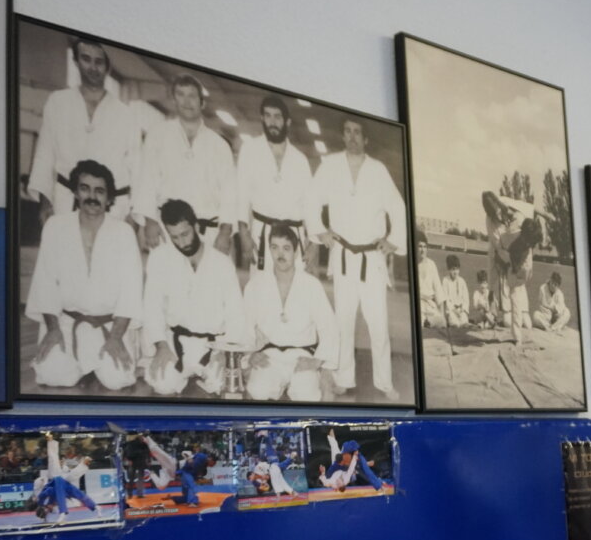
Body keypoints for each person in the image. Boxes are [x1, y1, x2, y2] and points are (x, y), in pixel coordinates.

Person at [309, 117, 406, 399]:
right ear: (343, 136)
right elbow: (312, 198)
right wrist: (319, 232)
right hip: (342, 256)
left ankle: (385, 383)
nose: (352, 137)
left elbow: (398, 208)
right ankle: (344, 378)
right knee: (343, 322)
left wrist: (394, 241)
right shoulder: (330, 166)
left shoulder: (378, 170)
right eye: (347, 131)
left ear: (366, 139)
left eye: (357, 133)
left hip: (371, 258)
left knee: (378, 323)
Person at [24, 159, 143, 390]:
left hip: (110, 327)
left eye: (99, 191)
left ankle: (93, 365)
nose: (92, 196)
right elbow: (45, 282)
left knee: (117, 379)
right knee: (54, 375)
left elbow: (131, 290)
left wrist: (117, 337)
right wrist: (53, 329)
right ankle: (83, 366)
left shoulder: (124, 232)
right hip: (67, 323)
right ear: (75, 192)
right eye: (84, 188)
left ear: (109, 198)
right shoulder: (55, 227)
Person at [27, 37, 141, 221]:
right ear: (75, 61)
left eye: (99, 62)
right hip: (65, 201)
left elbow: (136, 165)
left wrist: (134, 214)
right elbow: (45, 153)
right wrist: (45, 201)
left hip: (112, 207)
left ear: (108, 67)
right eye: (86, 59)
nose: (92, 68)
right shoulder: (58, 102)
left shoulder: (126, 114)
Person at [142, 198, 247, 396]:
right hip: (175, 342)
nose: (181, 242)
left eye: (185, 234)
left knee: (220, 386)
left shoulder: (222, 263)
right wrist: (161, 346)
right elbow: (151, 307)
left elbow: (236, 314)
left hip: (213, 346)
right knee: (162, 384)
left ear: (196, 226)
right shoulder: (159, 259)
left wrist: (225, 354)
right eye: (174, 237)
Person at [134, 74, 237, 256]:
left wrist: (225, 232)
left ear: (202, 103)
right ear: (174, 100)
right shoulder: (158, 135)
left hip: (208, 233)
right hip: (168, 231)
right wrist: (149, 221)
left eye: (192, 96)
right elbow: (146, 180)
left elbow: (230, 193)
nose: (186, 101)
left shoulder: (219, 145)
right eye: (181, 94)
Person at [242, 224, 338, 401]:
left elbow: (329, 327)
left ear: (296, 252)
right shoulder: (255, 285)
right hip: (269, 356)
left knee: (307, 395)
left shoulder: (311, 285)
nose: (280, 254)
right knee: (257, 391)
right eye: (274, 247)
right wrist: (250, 356)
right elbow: (245, 326)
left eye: (286, 248)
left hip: (302, 357)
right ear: (269, 249)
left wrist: (317, 361)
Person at [236, 94, 314, 272]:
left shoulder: (300, 159)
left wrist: (314, 243)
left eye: (277, 116)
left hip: (293, 235)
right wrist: (243, 233)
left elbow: (310, 203)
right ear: (262, 118)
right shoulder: (250, 150)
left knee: (294, 292)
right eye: (268, 115)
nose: (272, 122)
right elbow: (242, 195)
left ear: (287, 122)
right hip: (261, 234)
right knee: (261, 290)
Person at [481, 191, 542, 346]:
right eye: (496, 215)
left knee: (524, 276)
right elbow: (498, 249)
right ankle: (517, 336)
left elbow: (530, 209)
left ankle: (516, 331)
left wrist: (546, 215)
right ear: (490, 214)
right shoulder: (490, 223)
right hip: (503, 250)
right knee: (512, 291)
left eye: (500, 211)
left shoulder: (508, 204)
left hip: (520, 245)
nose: (500, 216)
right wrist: (510, 264)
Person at [317, 429, 384, 493]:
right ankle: (362, 465)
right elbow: (351, 468)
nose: (338, 482)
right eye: (339, 483)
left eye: (337, 483)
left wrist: (323, 472)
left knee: (334, 445)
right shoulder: (346, 479)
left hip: (337, 466)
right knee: (355, 467)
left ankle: (362, 464)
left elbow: (325, 482)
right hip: (346, 468)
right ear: (343, 484)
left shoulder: (331, 483)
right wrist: (355, 456)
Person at [415, 240, 444, 328]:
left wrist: (442, 312)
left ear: (427, 249)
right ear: (416, 248)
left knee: (441, 322)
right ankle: (424, 321)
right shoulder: (414, 265)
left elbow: (438, 287)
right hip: (418, 303)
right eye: (420, 246)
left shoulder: (431, 264)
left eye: (424, 247)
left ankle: (428, 321)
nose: (422, 250)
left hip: (430, 303)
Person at [439, 255, 469, 329]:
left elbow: (466, 298)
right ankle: (453, 323)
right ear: (449, 270)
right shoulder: (445, 281)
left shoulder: (462, 281)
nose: (455, 272)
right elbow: (446, 300)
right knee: (455, 324)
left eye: (457, 269)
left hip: (461, 310)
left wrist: (463, 309)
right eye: (453, 269)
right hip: (451, 310)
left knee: (464, 323)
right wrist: (454, 310)